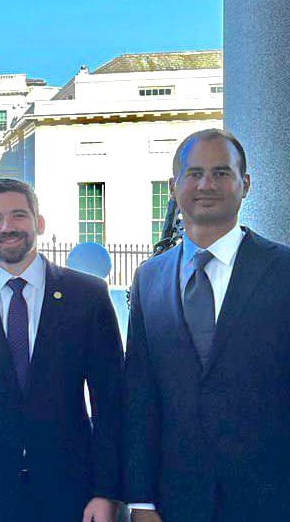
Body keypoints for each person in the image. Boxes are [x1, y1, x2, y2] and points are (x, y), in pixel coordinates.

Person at [124, 129, 290, 522]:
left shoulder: (283, 271)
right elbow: (139, 396)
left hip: (270, 498)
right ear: (174, 186)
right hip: (175, 500)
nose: (206, 185)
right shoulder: (148, 278)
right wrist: (140, 500)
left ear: (244, 184)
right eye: (194, 173)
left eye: (221, 173)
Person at [0, 178, 123, 522]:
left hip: (72, 491)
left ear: (39, 222)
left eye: (18, 215)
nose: (7, 227)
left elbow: (110, 402)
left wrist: (106, 492)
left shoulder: (88, 296)